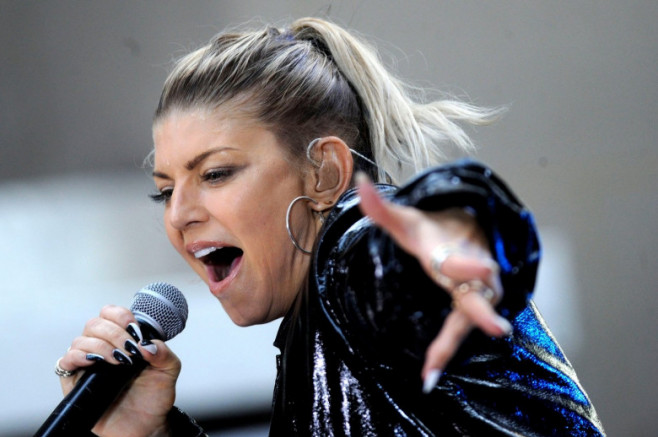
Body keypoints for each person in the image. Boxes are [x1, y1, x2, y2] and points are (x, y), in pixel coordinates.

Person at [54, 17, 605, 436]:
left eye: (216, 173)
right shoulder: (313, 321)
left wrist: (451, 231)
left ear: (325, 173)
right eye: (166, 190)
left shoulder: (352, 254)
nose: (178, 215)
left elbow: (415, 257)